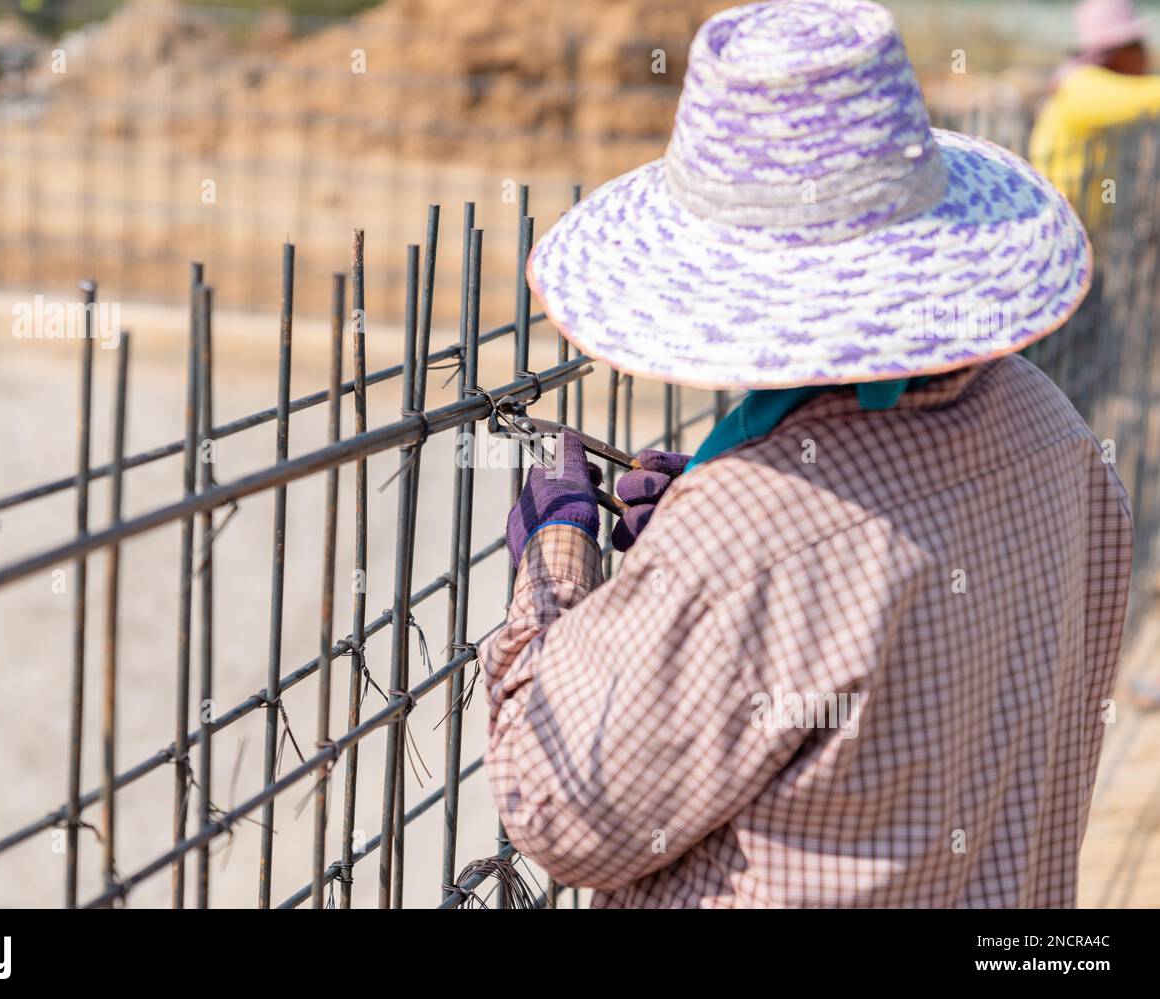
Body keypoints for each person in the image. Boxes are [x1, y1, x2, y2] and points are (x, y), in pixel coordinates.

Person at [480, 0, 1131, 908]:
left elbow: (554, 800)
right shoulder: (1058, 434)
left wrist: (557, 558)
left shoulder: (753, 528)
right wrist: (694, 564)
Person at [1030, 0, 1160, 212]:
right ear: (1117, 52)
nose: (1146, 55)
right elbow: (1149, 97)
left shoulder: (1080, 81)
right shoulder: (1083, 86)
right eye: (1138, 46)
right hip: (1061, 214)